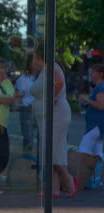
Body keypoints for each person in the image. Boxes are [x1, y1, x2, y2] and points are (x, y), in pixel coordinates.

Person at [30, 43, 76, 198]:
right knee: (53, 151)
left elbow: (59, 82)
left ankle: (68, 182)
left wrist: (54, 97)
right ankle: (54, 189)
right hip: (52, 115)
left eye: (35, 56)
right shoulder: (46, 69)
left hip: (56, 115)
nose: (33, 59)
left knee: (54, 151)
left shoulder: (52, 68)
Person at [0, 59, 16, 179]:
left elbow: (12, 100)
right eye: (0, 69)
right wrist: (3, 100)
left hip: (4, 123)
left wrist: (1, 99)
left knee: (4, 154)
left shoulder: (7, 83)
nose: (2, 71)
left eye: (4, 68)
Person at [78, 64, 104, 158]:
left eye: (93, 72)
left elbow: (100, 106)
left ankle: (83, 171)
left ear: (101, 74)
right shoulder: (99, 87)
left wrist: (86, 99)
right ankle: (99, 172)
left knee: (83, 149)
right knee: (97, 153)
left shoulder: (101, 87)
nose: (91, 74)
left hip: (95, 125)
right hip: (98, 125)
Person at [14, 57, 36, 152]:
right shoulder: (23, 79)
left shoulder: (37, 78)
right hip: (27, 109)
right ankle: (28, 157)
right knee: (28, 137)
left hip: (35, 108)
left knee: (32, 136)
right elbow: (18, 96)